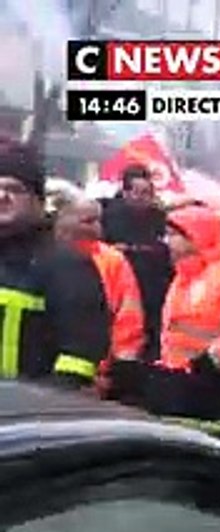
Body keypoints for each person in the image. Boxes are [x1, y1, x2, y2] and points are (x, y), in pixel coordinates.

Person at [108, 204, 220, 453]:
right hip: (185, 389)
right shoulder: (184, 277)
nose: (167, 242)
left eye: (174, 235)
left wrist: (208, 363)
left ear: (196, 237)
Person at [0, 139, 111, 389]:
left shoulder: (67, 266)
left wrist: (43, 400)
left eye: (14, 189)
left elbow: (79, 357)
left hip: (27, 416)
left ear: (38, 201)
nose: (1, 196)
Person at [50, 191, 145, 380]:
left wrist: (118, 368)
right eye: (88, 221)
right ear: (60, 221)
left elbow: (128, 317)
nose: (97, 228)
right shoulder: (41, 256)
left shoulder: (112, 260)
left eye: (98, 221)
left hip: (95, 373)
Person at [100, 163, 172, 361]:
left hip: (151, 291)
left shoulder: (159, 219)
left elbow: (165, 251)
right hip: (115, 289)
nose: (142, 198)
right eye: (137, 192)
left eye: (147, 192)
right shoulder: (106, 215)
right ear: (125, 191)